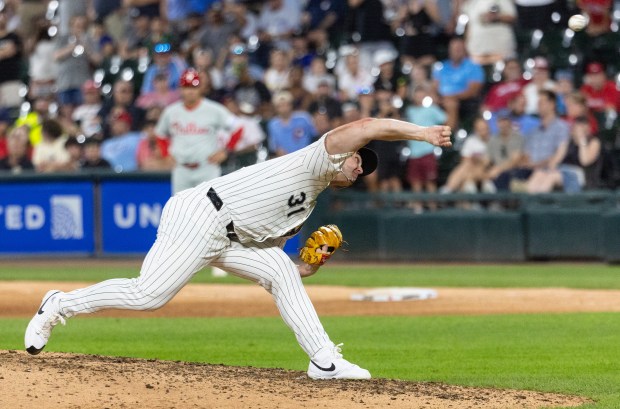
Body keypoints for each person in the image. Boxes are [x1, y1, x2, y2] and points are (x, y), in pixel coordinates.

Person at [24, 117, 452, 380]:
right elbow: (367, 127)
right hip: (199, 214)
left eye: (365, 166)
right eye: (360, 158)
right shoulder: (316, 160)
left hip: (226, 237)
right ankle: (60, 304)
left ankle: (324, 361)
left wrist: (309, 267)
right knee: (149, 295)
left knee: (282, 274)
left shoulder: (306, 208)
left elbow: (275, 258)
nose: (361, 164)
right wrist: (423, 133)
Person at [155, 68, 234, 194]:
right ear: (181, 89)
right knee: (181, 210)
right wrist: (165, 154)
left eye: (194, 87)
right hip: (181, 169)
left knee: (212, 208)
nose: (190, 91)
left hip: (207, 168)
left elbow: (238, 128)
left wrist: (226, 151)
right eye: (187, 87)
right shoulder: (171, 112)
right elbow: (160, 134)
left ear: (200, 88)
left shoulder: (214, 109)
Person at [526, 116, 601, 193]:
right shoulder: (567, 143)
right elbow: (556, 161)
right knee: (539, 173)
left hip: (579, 174)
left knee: (552, 177)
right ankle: (532, 200)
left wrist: (582, 140)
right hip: (563, 170)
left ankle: (541, 201)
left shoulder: (594, 142)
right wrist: (548, 167)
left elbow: (585, 161)